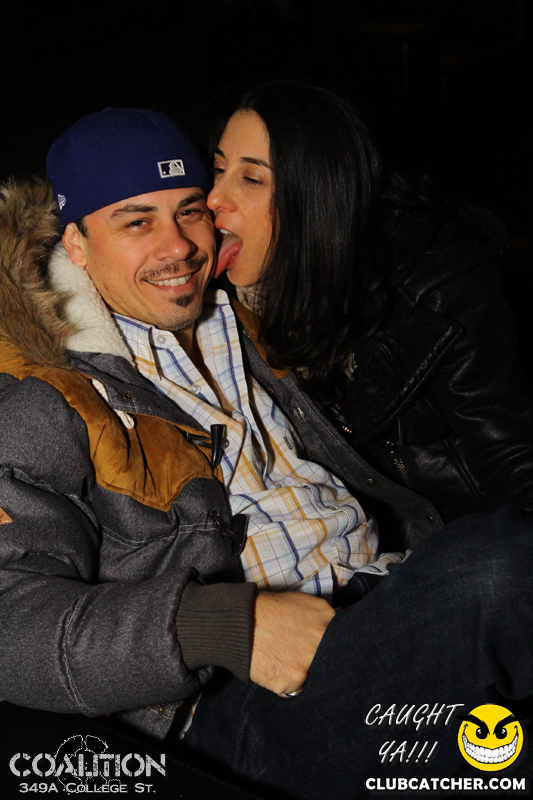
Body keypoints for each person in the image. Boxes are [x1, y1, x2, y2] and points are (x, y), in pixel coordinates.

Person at [0, 108, 532, 800]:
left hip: (387, 599)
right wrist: (220, 626)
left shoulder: (245, 314)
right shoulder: (50, 392)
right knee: (501, 566)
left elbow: (345, 237)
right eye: (136, 222)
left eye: (190, 211)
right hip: (246, 698)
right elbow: (10, 622)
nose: (178, 246)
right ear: (74, 243)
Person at [207, 79, 533, 526]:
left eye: (251, 178)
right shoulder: (224, 310)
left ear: (317, 194)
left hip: (462, 535)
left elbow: (512, 463)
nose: (214, 198)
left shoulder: (433, 288)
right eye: (218, 169)